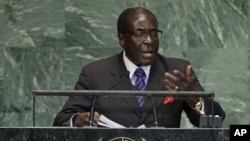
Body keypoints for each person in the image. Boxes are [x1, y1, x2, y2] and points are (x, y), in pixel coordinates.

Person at [53, 7, 225, 128]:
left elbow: (215, 124)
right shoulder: (95, 73)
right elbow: (62, 120)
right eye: (140, 33)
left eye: (153, 33)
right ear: (122, 39)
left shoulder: (177, 70)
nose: (149, 40)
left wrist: (196, 101)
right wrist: (77, 120)